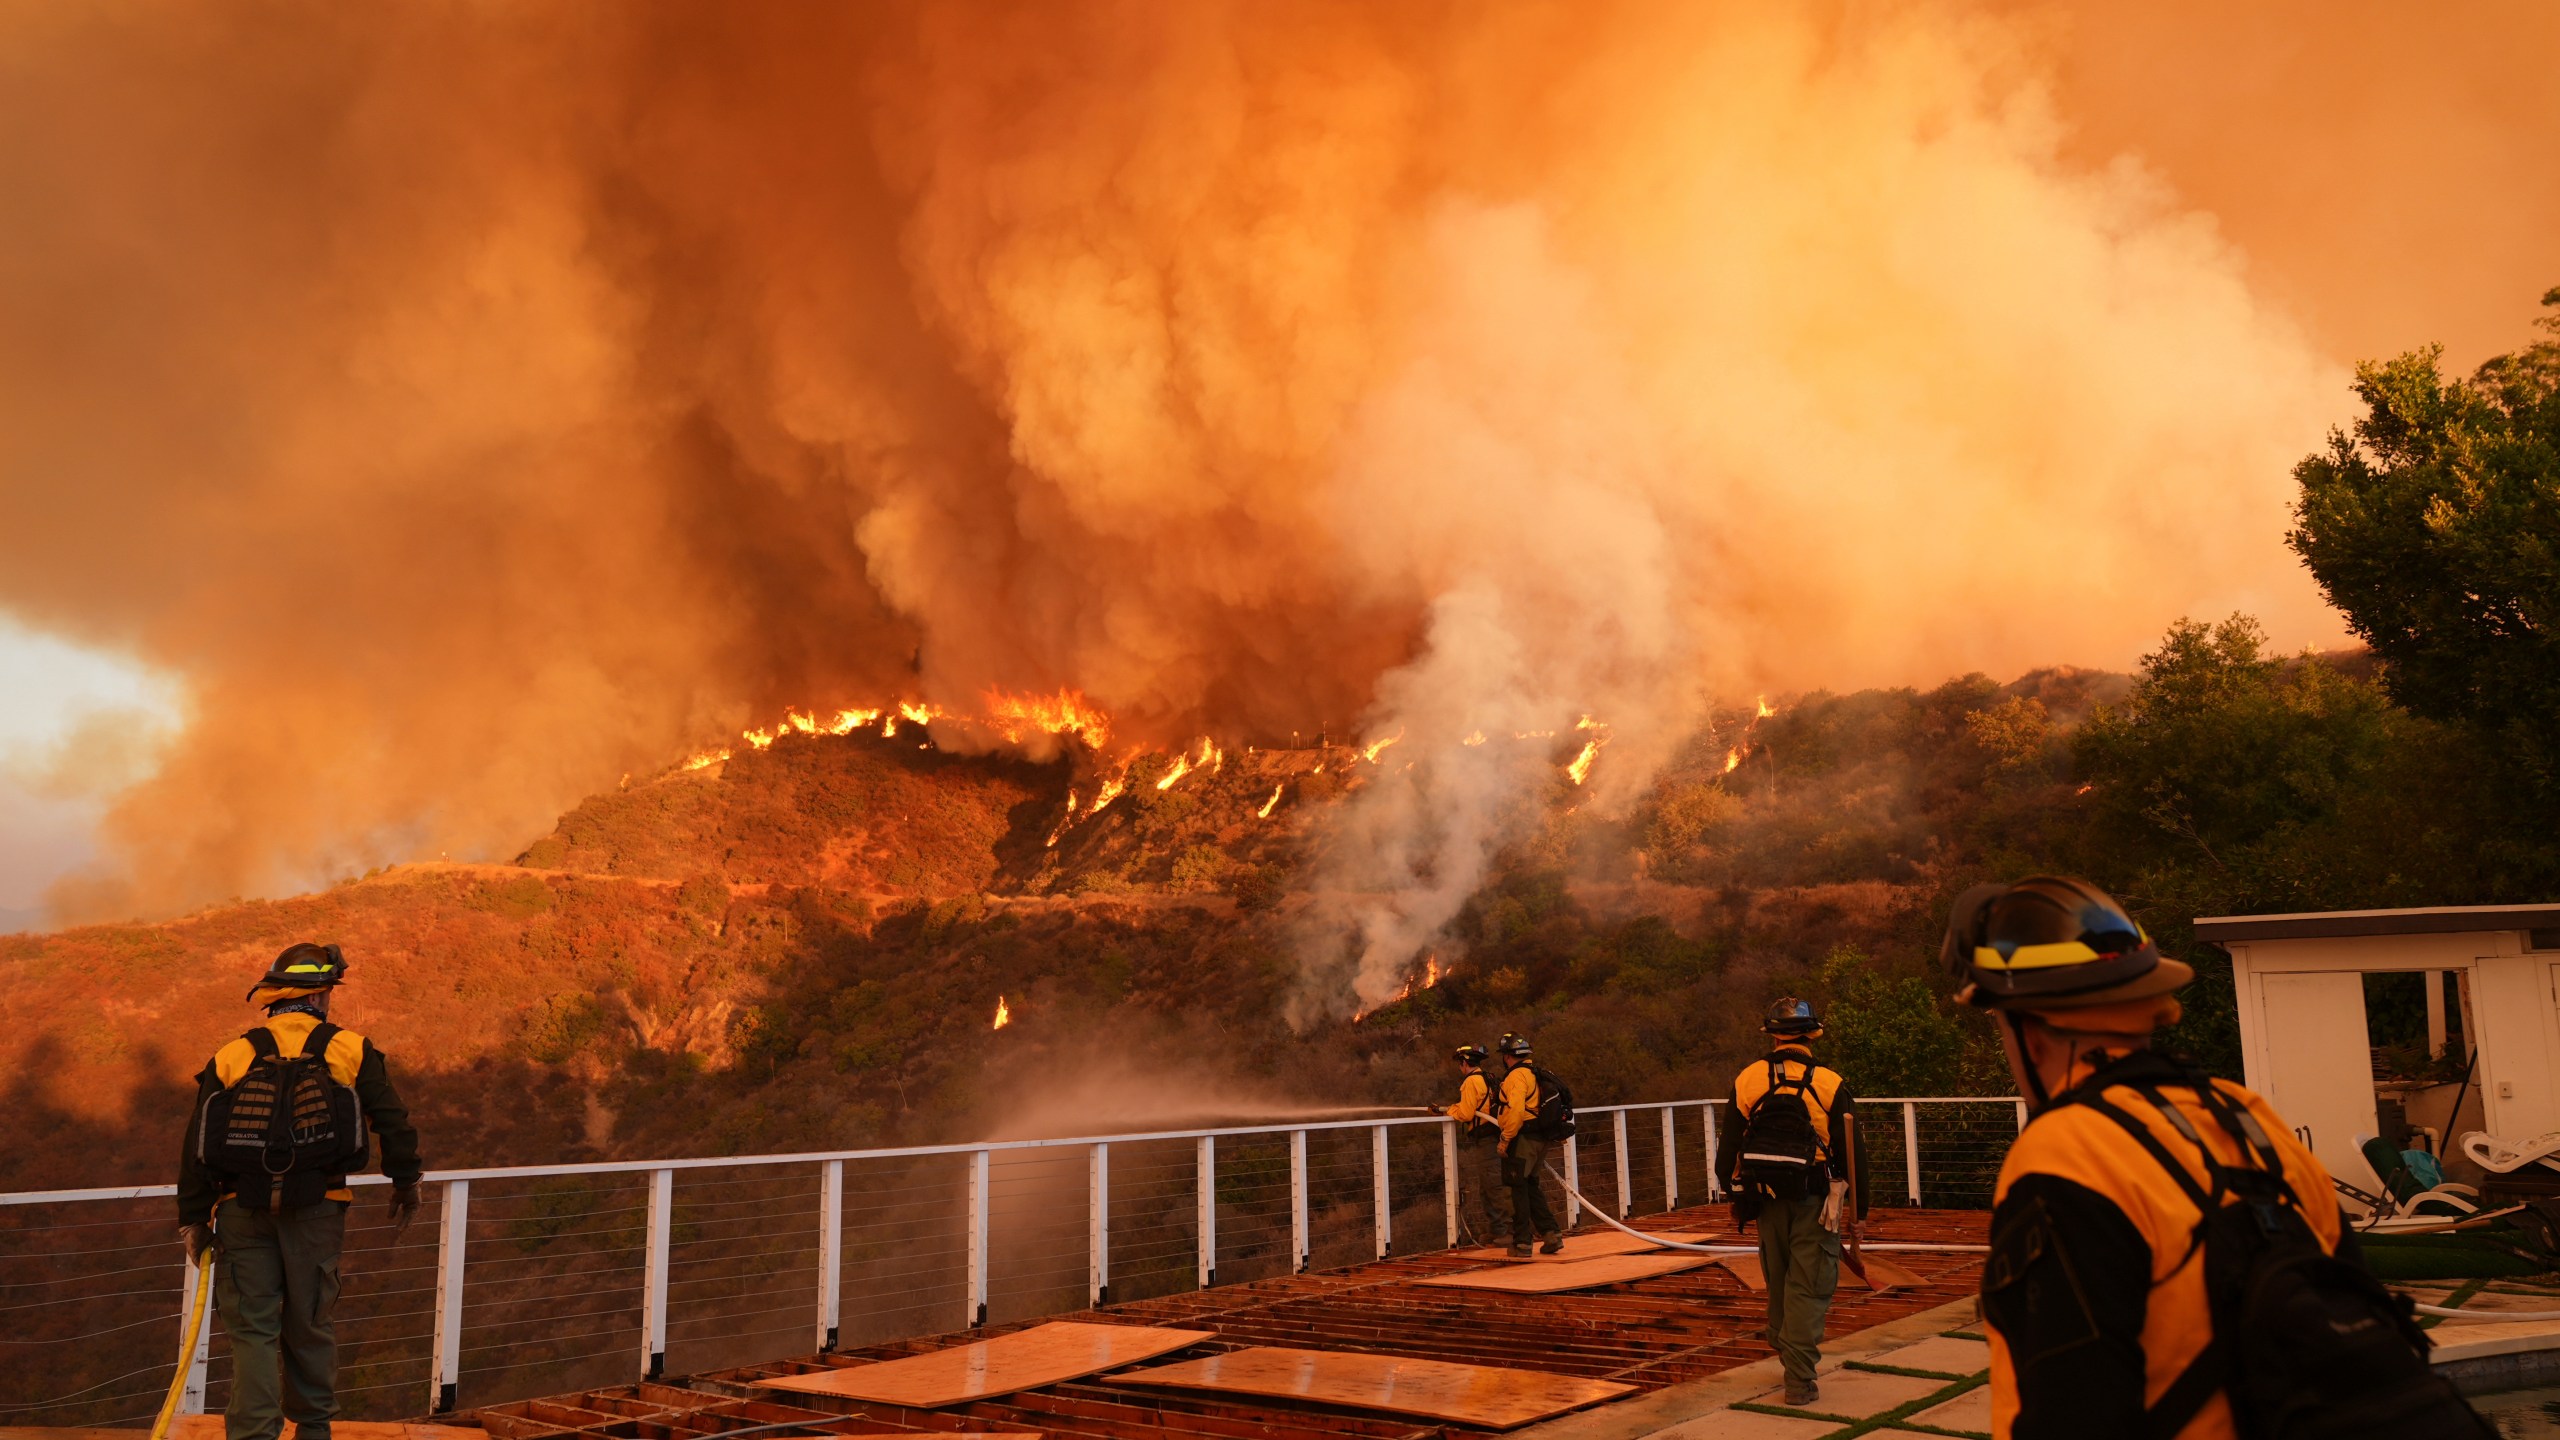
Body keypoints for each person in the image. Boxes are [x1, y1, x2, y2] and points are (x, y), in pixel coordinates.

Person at [1947, 876, 2489, 1440]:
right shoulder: (2247, 1117)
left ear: (2029, 1029)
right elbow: (2352, 1297)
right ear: (2145, 1004)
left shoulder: (2064, 1154)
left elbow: (2069, 1403)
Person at [178, 944, 423, 1440]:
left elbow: (196, 1142)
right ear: (324, 995)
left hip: (239, 1212)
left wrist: (193, 1217)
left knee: (252, 1330)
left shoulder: (235, 1053)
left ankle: (253, 1435)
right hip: (318, 1208)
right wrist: (406, 1181)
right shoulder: (351, 1049)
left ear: (277, 996)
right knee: (311, 1322)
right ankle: (313, 1431)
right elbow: (392, 1122)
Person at [1718, 997, 1854, 1407]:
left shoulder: (1748, 1079)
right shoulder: (1831, 1083)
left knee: (1778, 1278)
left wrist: (1735, 1195)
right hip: (1815, 1198)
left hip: (1764, 1198)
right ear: (1812, 1035)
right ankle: (1799, 1380)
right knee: (1809, 1284)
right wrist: (1859, 1213)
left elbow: (1728, 1150)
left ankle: (1783, 1343)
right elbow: (1851, 1155)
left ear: (1773, 1035)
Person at [1493, 1034, 1565, 1257]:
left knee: (1516, 1189)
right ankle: (1551, 1235)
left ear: (1506, 1057)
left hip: (1522, 1139)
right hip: (1540, 1139)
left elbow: (1514, 1111)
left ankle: (1522, 1243)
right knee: (1532, 1187)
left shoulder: (1516, 1077)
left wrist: (1505, 1139)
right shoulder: (1536, 1073)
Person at [1440, 1044, 1511, 1244]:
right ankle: (1497, 1229)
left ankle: (1505, 1232)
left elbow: (1466, 1113)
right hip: (1496, 1135)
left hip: (1487, 1140)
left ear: (1464, 1063)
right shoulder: (1488, 1078)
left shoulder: (1471, 1082)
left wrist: (1449, 1111)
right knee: (1488, 1185)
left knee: (1492, 1184)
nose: (1459, 1068)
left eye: (1459, 1064)